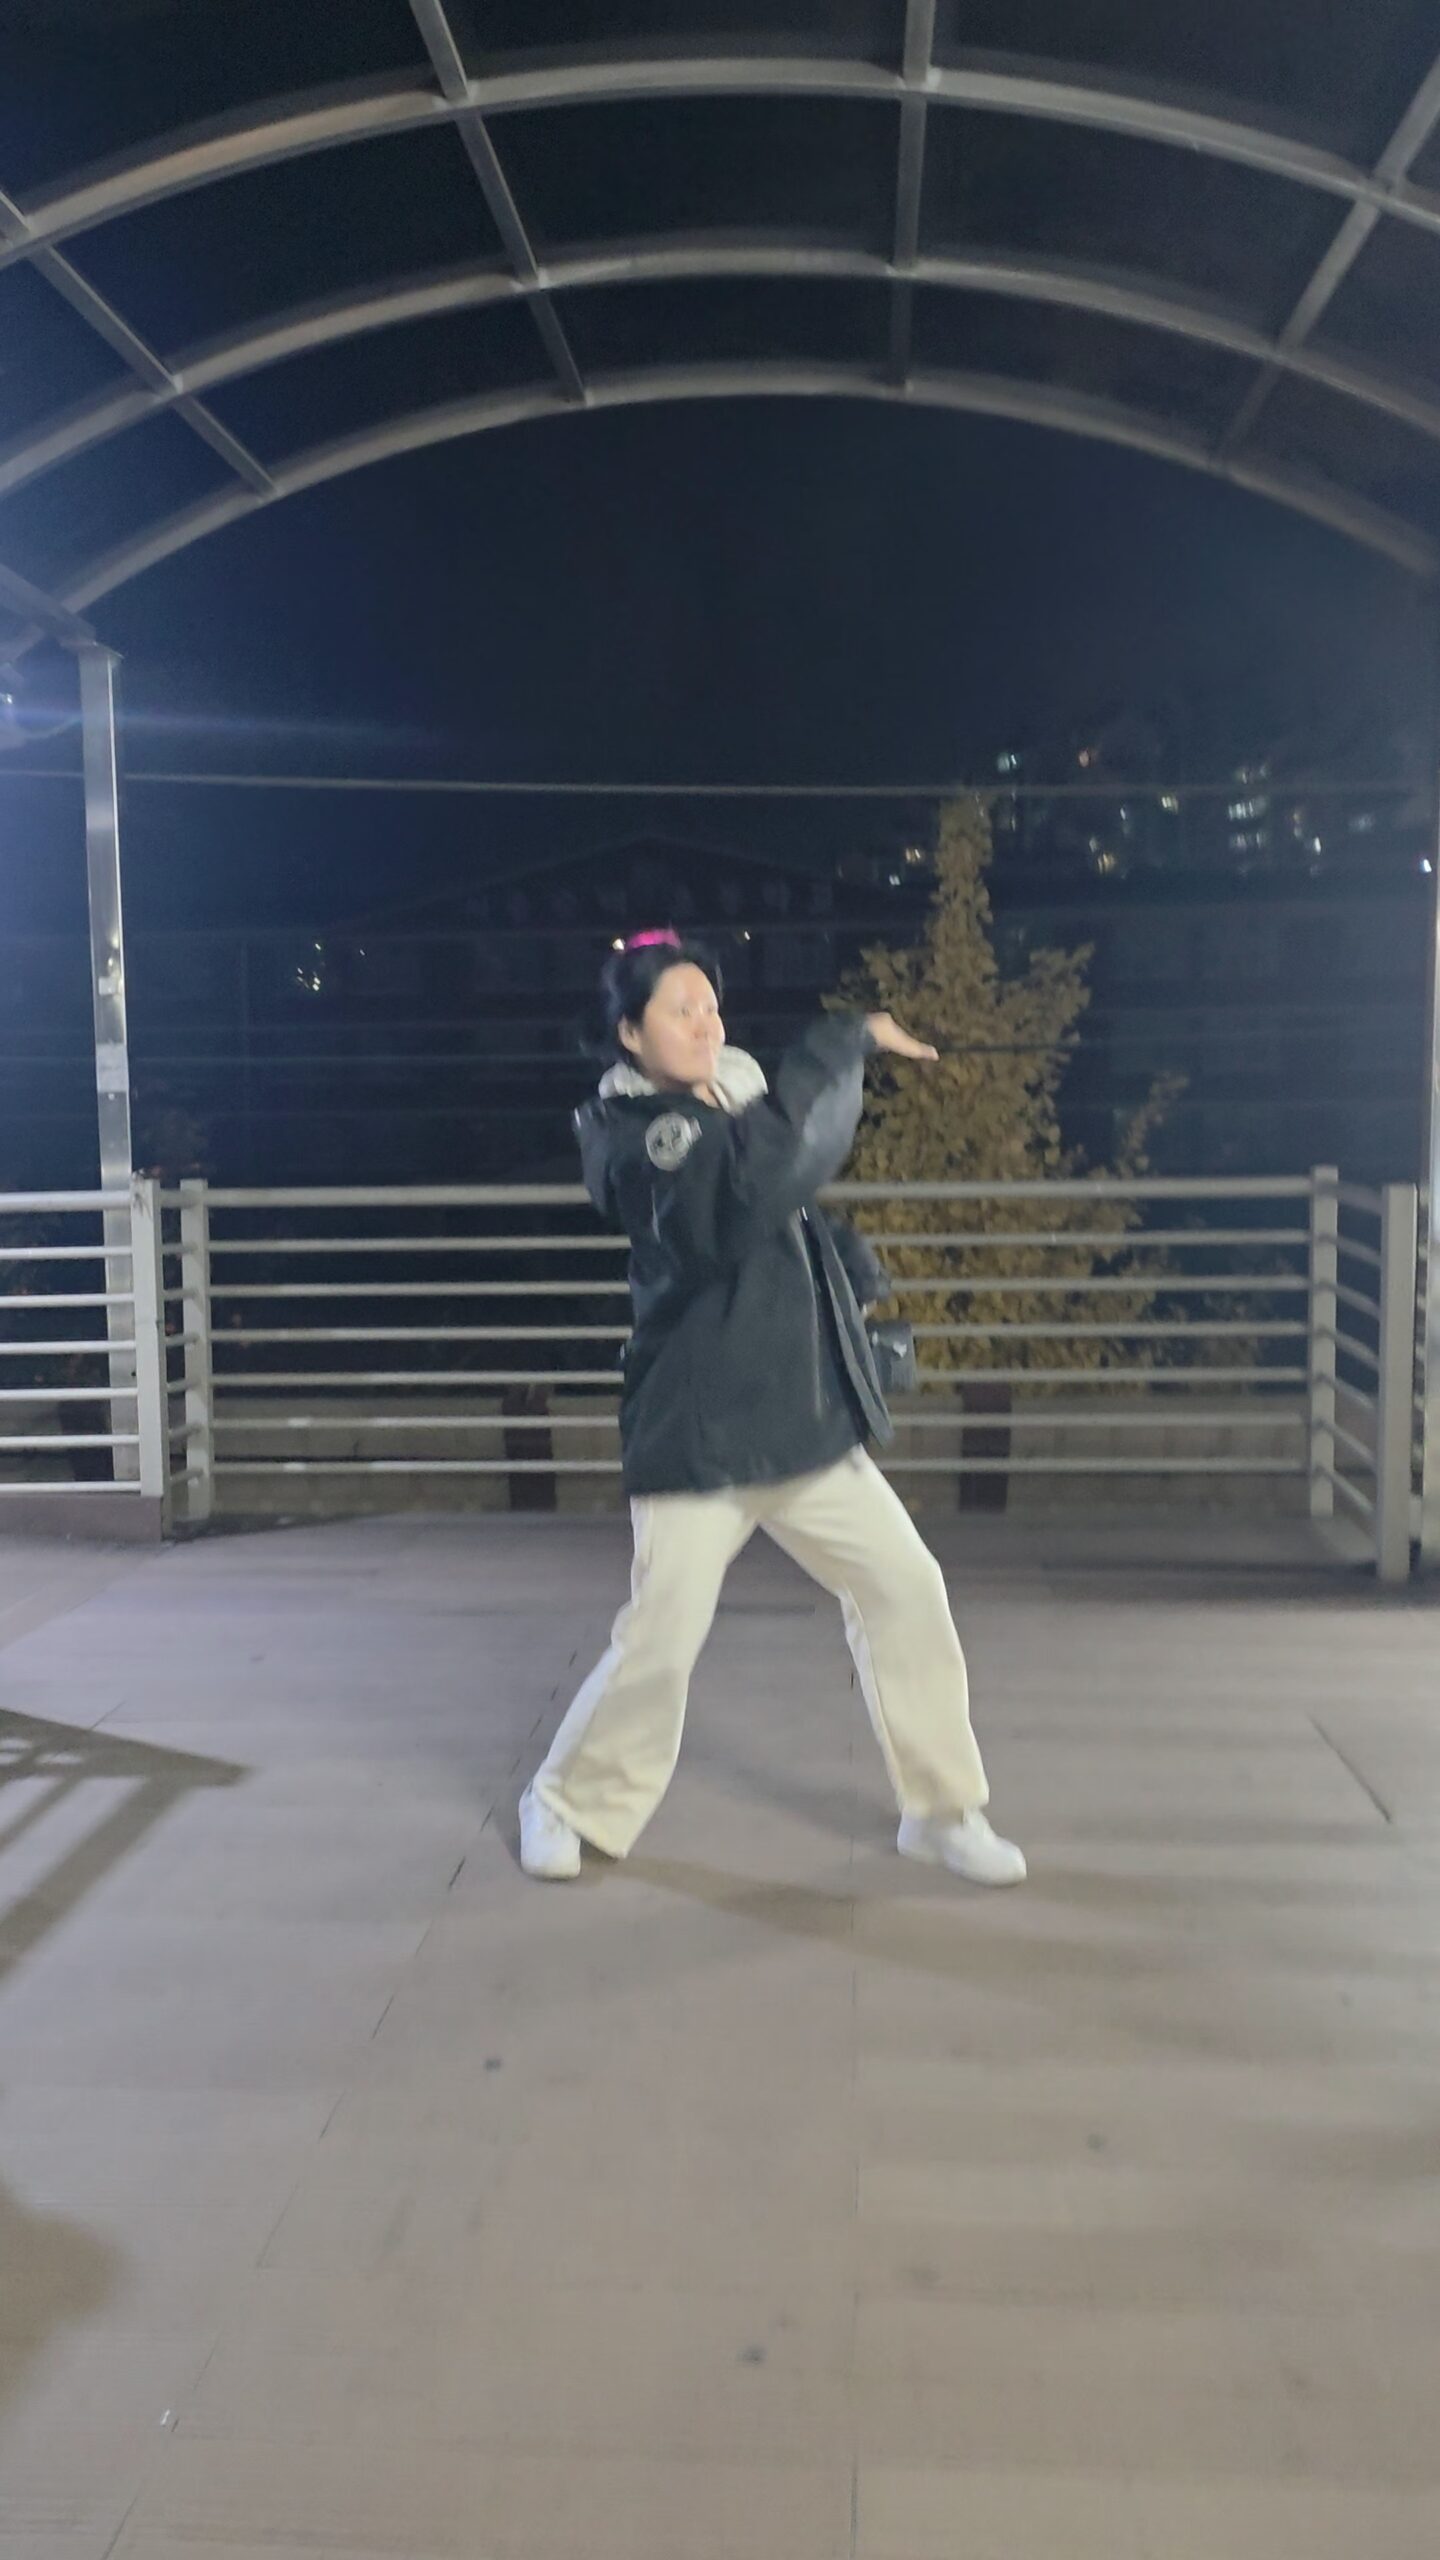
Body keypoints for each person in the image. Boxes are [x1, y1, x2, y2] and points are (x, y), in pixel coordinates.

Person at [518, 931, 1025, 1888]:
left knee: (906, 1590)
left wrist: (846, 1269)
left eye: (711, 1006)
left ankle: (943, 1811)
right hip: (699, 1432)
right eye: (681, 1010)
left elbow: (781, 1197)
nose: (706, 1024)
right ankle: (561, 1800)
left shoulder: (736, 1099)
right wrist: (843, 1039)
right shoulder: (633, 1136)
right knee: (661, 1639)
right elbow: (743, 1189)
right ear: (629, 1034)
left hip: (799, 1418)